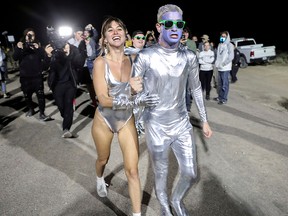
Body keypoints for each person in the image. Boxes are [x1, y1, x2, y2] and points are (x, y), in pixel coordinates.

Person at [130, 4, 213, 216]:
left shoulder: (189, 57)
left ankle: (176, 200)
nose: (174, 27)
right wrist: (138, 100)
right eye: (169, 23)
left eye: (179, 24)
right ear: (159, 27)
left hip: (181, 123)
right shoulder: (146, 56)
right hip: (156, 123)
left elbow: (195, 88)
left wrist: (204, 120)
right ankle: (165, 206)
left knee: (190, 172)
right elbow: (133, 91)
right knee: (161, 172)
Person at [91, 16, 159, 216]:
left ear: (125, 35)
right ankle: (99, 177)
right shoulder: (100, 63)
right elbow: (103, 99)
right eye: (110, 30)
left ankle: (137, 214)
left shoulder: (134, 59)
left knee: (133, 171)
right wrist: (129, 90)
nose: (115, 32)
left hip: (126, 119)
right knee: (103, 159)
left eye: (119, 28)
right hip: (104, 119)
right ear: (104, 38)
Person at [44, 38, 87, 138]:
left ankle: (66, 129)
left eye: (65, 42)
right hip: (56, 85)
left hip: (70, 84)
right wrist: (48, 55)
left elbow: (79, 63)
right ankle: (66, 117)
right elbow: (44, 67)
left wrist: (76, 52)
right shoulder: (53, 51)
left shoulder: (73, 50)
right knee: (61, 107)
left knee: (68, 106)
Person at [12, 28, 51, 120]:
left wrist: (38, 48)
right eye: (28, 35)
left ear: (34, 36)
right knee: (27, 95)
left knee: (40, 94)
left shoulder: (37, 45)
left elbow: (43, 57)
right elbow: (15, 58)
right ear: (25, 36)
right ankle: (31, 109)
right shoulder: (21, 45)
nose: (30, 37)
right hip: (25, 76)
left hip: (37, 75)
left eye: (32, 35)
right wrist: (18, 48)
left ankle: (42, 113)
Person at [67, 26, 97, 107]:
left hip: (84, 66)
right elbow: (69, 53)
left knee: (90, 86)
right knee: (73, 86)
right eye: (78, 33)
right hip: (74, 68)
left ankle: (94, 101)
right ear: (74, 34)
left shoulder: (85, 41)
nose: (80, 35)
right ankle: (72, 104)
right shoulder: (70, 41)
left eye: (81, 34)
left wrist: (87, 45)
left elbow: (90, 54)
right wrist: (79, 43)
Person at [125, 30, 147, 135]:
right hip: (131, 87)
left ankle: (139, 128)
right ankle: (133, 131)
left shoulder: (149, 53)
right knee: (133, 111)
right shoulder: (126, 52)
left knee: (142, 110)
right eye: (138, 38)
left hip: (145, 88)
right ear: (132, 40)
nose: (141, 40)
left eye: (143, 38)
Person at [214, 31, 234, 105]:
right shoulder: (220, 44)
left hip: (225, 68)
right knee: (220, 84)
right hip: (219, 67)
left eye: (224, 36)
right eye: (222, 36)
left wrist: (224, 63)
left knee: (225, 84)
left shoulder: (229, 45)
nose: (223, 37)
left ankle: (224, 99)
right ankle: (220, 96)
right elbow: (218, 56)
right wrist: (217, 63)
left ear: (227, 37)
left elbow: (231, 56)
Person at [180, 26, 197, 112]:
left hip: (188, 69)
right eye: (183, 33)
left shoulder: (191, 43)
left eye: (186, 32)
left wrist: (185, 45)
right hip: (179, 70)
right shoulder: (178, 42)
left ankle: (187, 106)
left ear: (188, 34)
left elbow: (193, 54)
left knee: (187, 89)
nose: (184, 34)